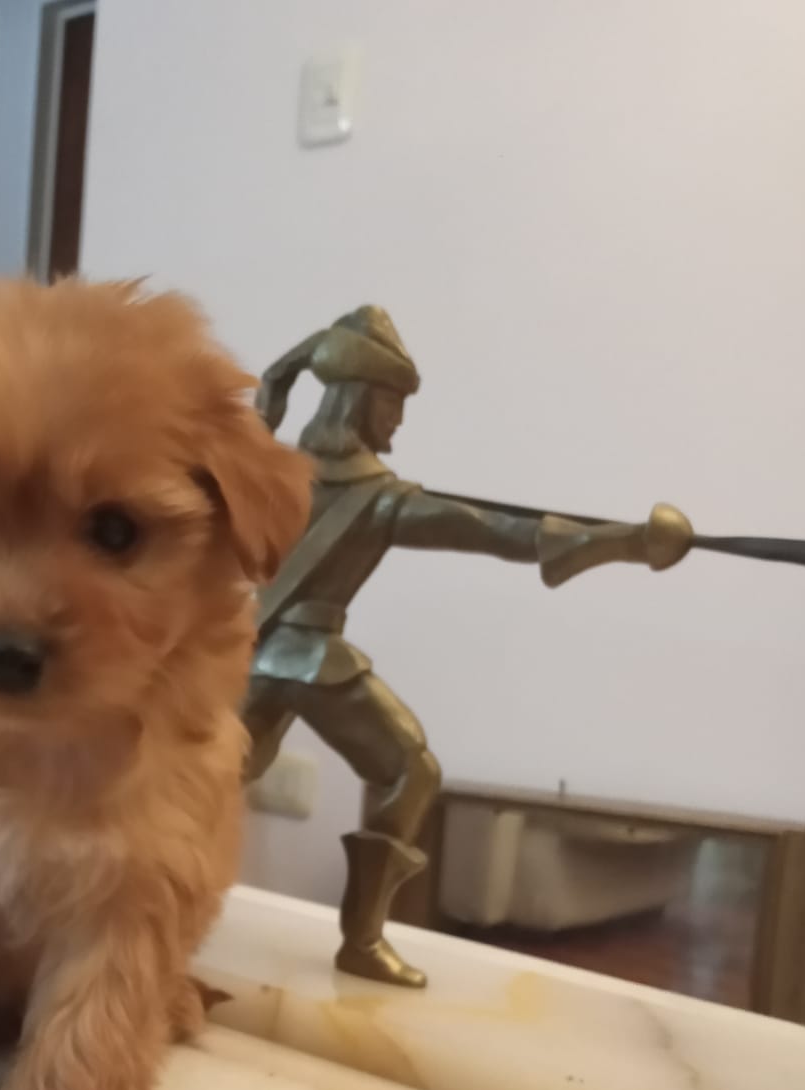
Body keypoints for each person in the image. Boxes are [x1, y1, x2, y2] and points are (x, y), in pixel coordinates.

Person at [246, 306, 691, 987]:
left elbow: (492, 527)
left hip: (250, 655)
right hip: (310, 659)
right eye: (392, 403)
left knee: (193, 780)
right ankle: (360, 940)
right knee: (409, 771)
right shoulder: (377, 499)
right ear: (360, 398)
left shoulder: (270, 472)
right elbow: (495, 531)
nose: (398, 421)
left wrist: (621, 540)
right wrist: (628, 541)